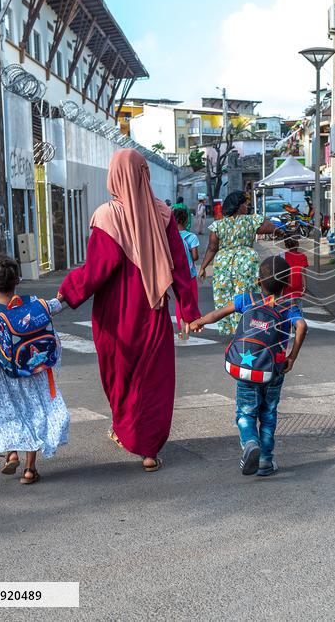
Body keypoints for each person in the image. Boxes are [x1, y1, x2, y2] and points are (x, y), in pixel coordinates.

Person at [58, 149, 201, 473]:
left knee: (120, 378)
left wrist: (67, 290)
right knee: (153, 381)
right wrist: (189, 310)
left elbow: (97, 270)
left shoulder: (107, 217)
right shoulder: (163, 214)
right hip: (154, 310)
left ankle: (125, 430)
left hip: (116, 315)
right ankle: (148, 449)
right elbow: (181, 267)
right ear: (143, 174)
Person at [189, 256, 308, 476]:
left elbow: (219, 313)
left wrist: (200, 321)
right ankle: (265, 461)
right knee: (269, 414)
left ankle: (250, 442)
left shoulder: (247, 300)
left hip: (246, 369)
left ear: (258, 281)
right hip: (274, 369)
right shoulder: (287, 306)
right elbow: (301, 326)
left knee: (245, 413)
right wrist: (292, 356)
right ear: (287, 284)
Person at [0, 256, 70, 485]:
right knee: (34, 414)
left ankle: (11, 453)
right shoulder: (34, 303)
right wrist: (64, 293)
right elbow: (56, 305)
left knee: (6, 415)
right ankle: (30, 470)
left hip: (6, 376)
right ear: (17, 280)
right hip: (34, 372)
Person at [197, 191, 279, 335]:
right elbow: (272, 228)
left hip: (223, 265)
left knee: (225, 296)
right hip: (246, 263)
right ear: (239, 206)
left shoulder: (218, 225)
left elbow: (212, 248)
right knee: (246, 295)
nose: (247, 206)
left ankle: (230, 330)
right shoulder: (251, 220)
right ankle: (246, 326)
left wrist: (203, 267)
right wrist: (282, 232)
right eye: (245, 204)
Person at [174, 207, 200, 332]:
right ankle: (192, 324)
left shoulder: (171, 237)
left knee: (179, 301)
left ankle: (181, 327)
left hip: (176, 275)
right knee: (192, 300)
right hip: (190, 274)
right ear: (185, 221)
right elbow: (195, 257)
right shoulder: (191, 237)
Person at [282, 235, 309, 305]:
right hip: (298, 286)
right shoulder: (302, 256)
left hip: (286, 286)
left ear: (287, 245)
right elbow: (303, 272)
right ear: (297, 245)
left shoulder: (283, 256)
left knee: (287, 308)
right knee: (298, 309)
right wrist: (305, 286)